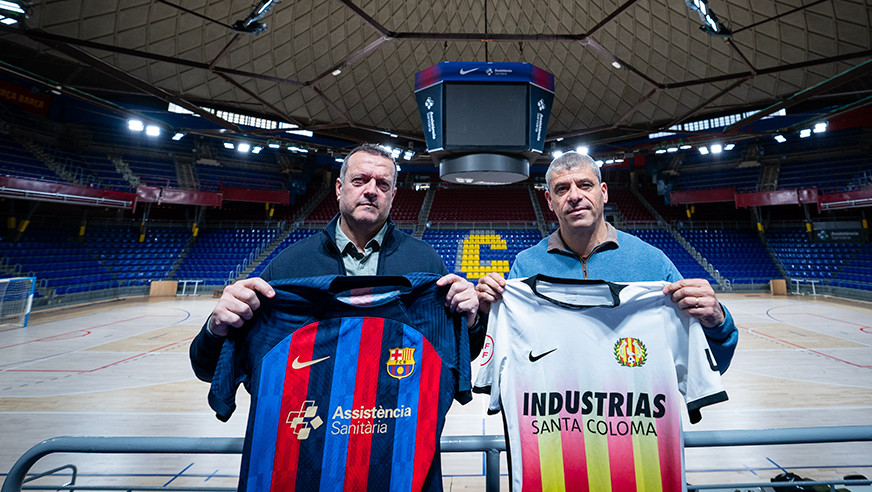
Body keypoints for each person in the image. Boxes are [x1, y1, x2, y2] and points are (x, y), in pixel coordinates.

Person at [190, 143, 480, 381]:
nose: (370, 190)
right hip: (314, 434)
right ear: (340, 188)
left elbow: (460, 354)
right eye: (359, 180)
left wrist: (471, 322)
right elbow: (208, 369)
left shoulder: (425, 261)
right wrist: (216, 328)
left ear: (393, 196)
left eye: (382, 184)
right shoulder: (290, 265)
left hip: (397, 427)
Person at [475, 151, 737, 372]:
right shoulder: (526, 265)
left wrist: (716, 321)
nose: (574, 195)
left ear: (603, 193)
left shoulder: (652, 263)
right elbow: (507, 355)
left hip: (633, 423)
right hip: (554, 422)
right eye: (562, 189)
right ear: (550, 201)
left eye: (584, 185)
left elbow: (709, 365)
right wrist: (486, 316)